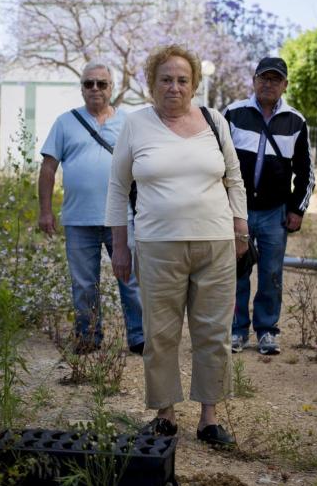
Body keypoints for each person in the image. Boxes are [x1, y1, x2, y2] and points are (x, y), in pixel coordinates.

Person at [106, 44, 248, 447]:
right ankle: (165, 414)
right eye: (165, 79)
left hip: (216, 243)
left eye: (182, 80)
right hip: (157, 245)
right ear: (152, 84)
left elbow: (234, 180)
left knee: (213, 332)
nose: (174, 87)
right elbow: (118, 189)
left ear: (194, 84)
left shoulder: (215, 121)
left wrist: (241, 231)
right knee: (161, 333)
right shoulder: (135, 125)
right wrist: (120, 246)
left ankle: (209, 417)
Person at [38, 61, 144, 355]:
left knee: (131, 279)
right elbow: (48, 169)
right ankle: (88, 336)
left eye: (101, 83)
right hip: (78, 218)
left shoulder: (129, 123)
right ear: (82, 88)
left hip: (121, 218)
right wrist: (45, 211)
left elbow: (145, 166)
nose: (95, 89)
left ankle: (139, 337)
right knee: (84, 285)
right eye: (89, 84)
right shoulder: (64, 122)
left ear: (112, 88)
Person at [223, 56, 314, 355]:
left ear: (285, 85)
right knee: (236, 271)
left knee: (271, 274)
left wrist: (297, 209)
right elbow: (216, 162)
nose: (268, 83)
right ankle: (237, 331)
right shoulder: (233, 114)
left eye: (276, 79)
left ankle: (266, 331)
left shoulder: (295, 121)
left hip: (275, 212)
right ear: (254, 80)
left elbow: (306, 171)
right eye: (264, 77)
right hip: (237, 211)